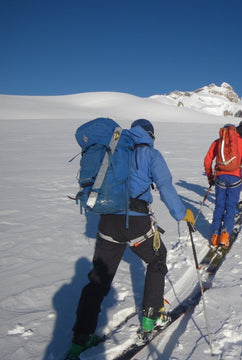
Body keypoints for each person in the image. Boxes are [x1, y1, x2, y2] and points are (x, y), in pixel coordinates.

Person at [67, 119, 195, 359]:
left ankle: (80, 339)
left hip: (107, 222)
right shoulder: (151, 154)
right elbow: (165, 187)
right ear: (150, 135)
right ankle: (150, 318)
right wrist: (182, 214)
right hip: (136, 221)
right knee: (157, 259)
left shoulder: (113, 149)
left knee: (98, 279)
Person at [204, 124, 242, 248]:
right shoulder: (240, 141)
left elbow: (207, 160)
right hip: (235, 178)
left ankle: (214, 235)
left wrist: (210, 176)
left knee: (219, 206)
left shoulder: (218, 142)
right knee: (230, 207)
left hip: (220, 178)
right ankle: (225, 235)